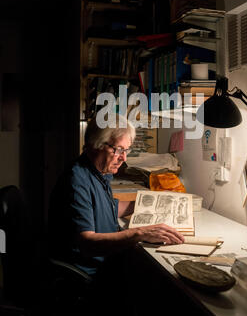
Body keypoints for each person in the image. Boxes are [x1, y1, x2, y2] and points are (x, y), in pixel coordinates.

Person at [47, 114, 184, 278]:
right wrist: (140, 233)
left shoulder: (98, 173)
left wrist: (146, 203)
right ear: (95, 145)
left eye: (126, 150)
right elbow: (87, 243)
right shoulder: (77, 181)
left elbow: (105, 209)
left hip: (104, 262)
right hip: (86, 272)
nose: (124, 158)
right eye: (118, 150)